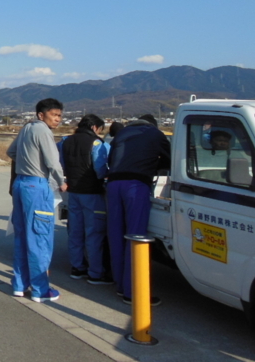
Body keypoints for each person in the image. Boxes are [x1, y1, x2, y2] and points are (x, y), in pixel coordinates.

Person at [106, 114, 171, 305]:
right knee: (135, 237)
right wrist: (153, 165)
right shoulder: (156, 134)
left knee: (116, 235)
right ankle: (132, 291)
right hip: (135, 185)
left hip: (113, 185)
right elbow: (170, 160)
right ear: (153, 124)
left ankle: (120, 285)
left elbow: (111, 159)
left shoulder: (122, 134)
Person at [6, 98, 67, 303]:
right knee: (40, 238)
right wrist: (62, 181)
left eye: (59, 116)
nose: (57, 119)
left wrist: (27, 161)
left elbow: (11, 152)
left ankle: (20, 284)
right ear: (41, 115)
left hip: (20, 184)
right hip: (36, 185)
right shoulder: (43, 130)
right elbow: (53, 162)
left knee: (22, 236)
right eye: (54, 115)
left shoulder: (26, 128)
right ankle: (40, 290)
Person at [59, 114, 113, 285]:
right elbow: (100, 170)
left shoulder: (65, 141)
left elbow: (61, 164)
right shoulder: (96, 143)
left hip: (73, 192)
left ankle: (77, 267)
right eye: (100, 129)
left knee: (75, 231)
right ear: (94, 127)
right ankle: (95, 273)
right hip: (92, 193)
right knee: (94, 233)